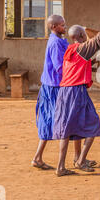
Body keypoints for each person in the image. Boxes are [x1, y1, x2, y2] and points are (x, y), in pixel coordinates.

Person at [52, 4, 100, 176]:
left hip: (64, 92)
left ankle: (62, 166)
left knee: (67, 130)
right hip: (76, 93)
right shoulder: (83, 49)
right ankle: (81, 160)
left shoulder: (70, 50)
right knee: (92, 125)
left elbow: (84, 64)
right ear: (82, 36)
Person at [32, 15, 68, 170]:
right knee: (57, 121)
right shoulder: (55, 43)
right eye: (62, 25)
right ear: (54, 27)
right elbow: (60, 67)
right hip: (53, 87)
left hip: (53, 85)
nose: (64, 27)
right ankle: (60, 164)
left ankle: (38, 157)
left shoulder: (60, 41)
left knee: (51, 120)